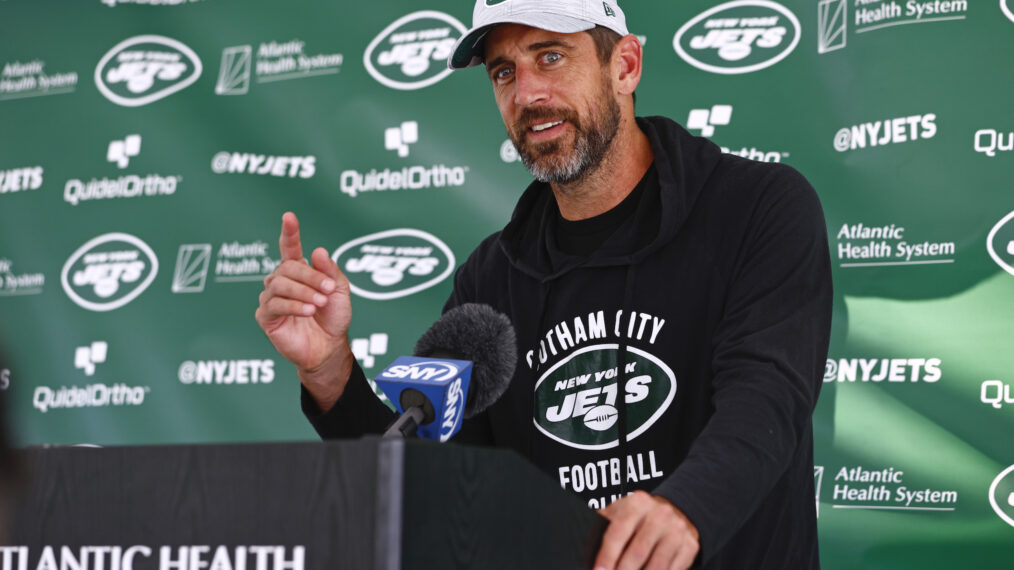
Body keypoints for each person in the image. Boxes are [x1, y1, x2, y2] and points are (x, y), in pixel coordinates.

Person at [256, 0, 832, 567]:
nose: (527, 94)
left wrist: (684, 510)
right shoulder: (491, 276)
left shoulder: (757, 208)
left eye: (551, 56)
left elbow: (767, 399)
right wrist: (329, 373)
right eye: (504, 71)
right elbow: (431, 486)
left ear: (625, 66)